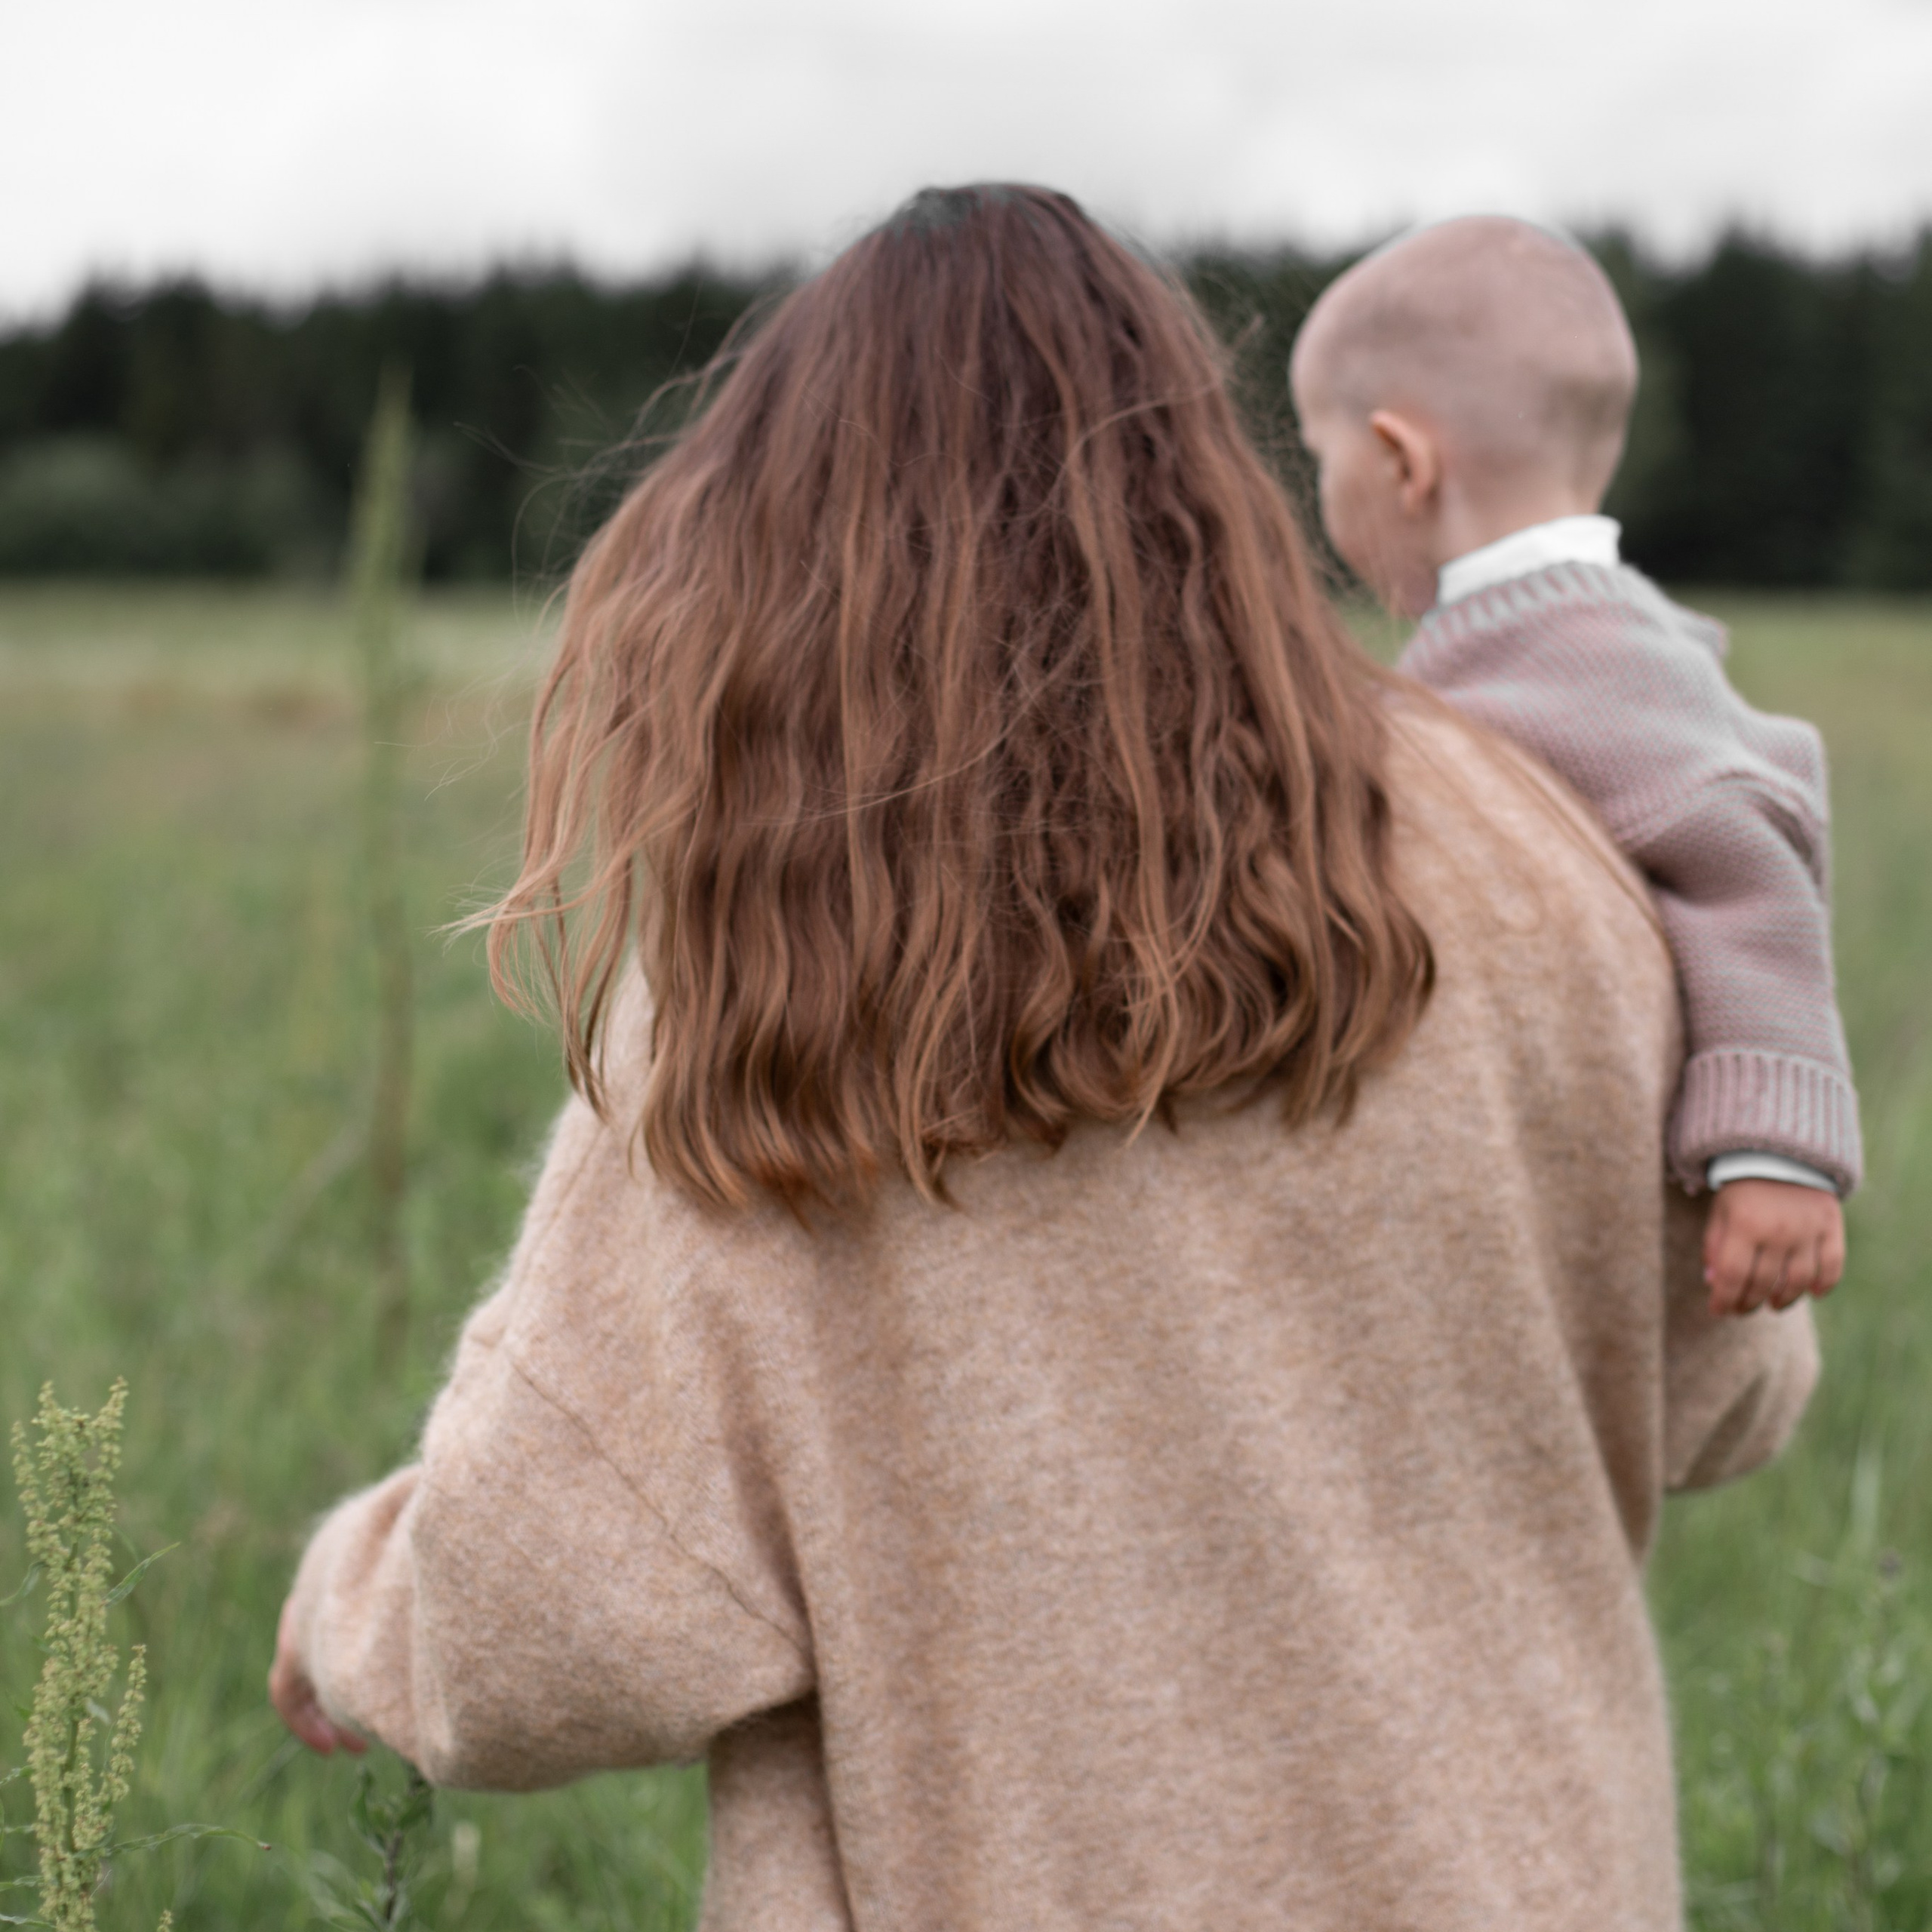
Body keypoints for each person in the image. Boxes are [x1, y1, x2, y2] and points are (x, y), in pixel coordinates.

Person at [271, 186, 1818, 1931]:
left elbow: (547, 1612)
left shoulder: (771, 980)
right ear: (1214, 490)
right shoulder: (1540, 855)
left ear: (780, 543)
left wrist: (349, 1605)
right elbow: (1726, 1385)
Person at [1289, 216, 1860, 1320]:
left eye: (1323, 459)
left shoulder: (1586, 665)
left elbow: (1750, 851)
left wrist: (1781, 1149)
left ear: (1404, 463)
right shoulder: (1535, 640)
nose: (1319, 496)